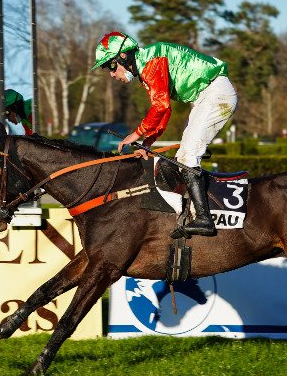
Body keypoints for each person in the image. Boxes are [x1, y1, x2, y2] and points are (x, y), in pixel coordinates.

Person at [92, 31, 237, 237]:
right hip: (206, 97)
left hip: (216, 95)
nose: (112, 74)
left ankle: (205, 219)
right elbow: (164, 111)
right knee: (183, 159)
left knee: (187, 157)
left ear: (123, 56)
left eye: (111, 66)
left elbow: (160, 107)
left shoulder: (152, 63)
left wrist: (136, 134)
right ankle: (194, 212)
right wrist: (147, 142)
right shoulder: (147, 67)